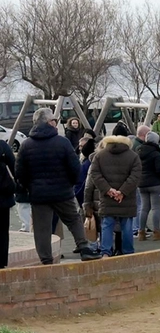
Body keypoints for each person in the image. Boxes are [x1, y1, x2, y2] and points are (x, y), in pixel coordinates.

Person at [15, 108, 102, 263]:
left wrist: (30, 187)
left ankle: (46, 260)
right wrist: (70, 184)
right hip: (62, 191)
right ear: (50, 122)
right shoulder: (62, 142)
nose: (56, 123)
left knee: (42, 229)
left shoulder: (26, 145)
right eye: (54, 120)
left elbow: (20, 172)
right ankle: (84, 248)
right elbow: (75, 167)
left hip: (39, 194)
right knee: (73, 220)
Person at [89, 134, 142, 256]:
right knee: (127, 226)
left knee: (107, 225)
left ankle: (106, 252)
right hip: (127, 198)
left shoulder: (99, 156)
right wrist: (122, 192)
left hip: (107, 197)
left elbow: (95, 174)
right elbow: (135, 176)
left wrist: (108, 190)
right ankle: (128, 251)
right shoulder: (133, 156)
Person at [136, 131, 160, 240]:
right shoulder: (156, 154)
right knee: (155, 208)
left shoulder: (138, 151)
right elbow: (159, 170)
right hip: (155, 183)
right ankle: (156, 232)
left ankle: (141, 232)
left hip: (142, 183)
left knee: (144, 208)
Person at [0, 137, 15, 268]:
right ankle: (2, 262)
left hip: (4, 196)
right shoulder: (3, 146)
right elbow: (14, 167)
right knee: (3, 231)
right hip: (3, 196)